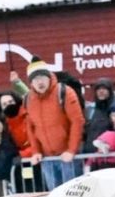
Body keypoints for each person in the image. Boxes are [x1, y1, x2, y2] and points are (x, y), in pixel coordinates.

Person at [23, 57, 86, 190]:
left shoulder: (64, 92)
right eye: (35, 79)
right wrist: (36, 151)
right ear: (31, 83)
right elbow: (31, 127)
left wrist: (71, 150)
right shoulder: (28, 99)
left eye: (42, 77)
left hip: (68, 157)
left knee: (73, 195)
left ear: (49, 77)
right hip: (47, 159)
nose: (39, 82)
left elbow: (77, 121)